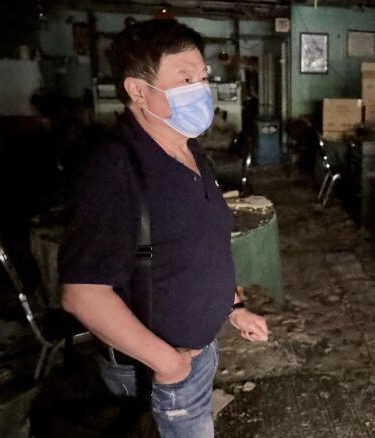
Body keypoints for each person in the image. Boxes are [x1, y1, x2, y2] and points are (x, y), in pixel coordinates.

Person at [58, 19, 268, 437]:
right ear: (138, 90)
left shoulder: (190, 150)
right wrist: (169, 364)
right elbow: (83, 294)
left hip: (198, 350)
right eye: (186, 78)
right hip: (160, 368)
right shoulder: (114, 168)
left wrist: (233, 307)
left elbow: (203, 246)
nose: (202, 89)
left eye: (203, 77)